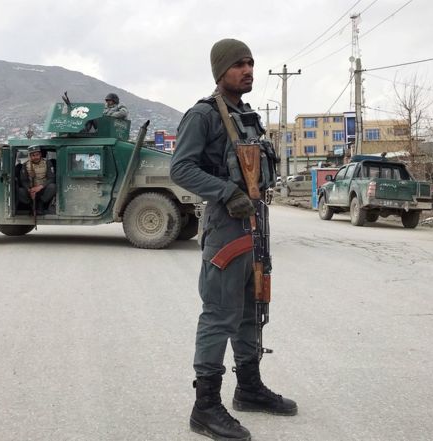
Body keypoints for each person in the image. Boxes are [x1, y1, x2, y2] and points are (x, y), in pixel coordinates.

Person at [170, 38, 297, 441]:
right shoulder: (203, 115)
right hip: (226, 227)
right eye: (239, 64)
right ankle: (205, 407)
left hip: (255, 225)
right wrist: (226, 193)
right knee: (219, 315)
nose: (248, 70)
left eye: (251, 63)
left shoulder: (248, 117)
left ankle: (249, 388)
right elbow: (181, 169)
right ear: (220, 71)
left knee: (251, 309)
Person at [19, 145, 56, 214]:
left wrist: (40, 187)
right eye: (33, 155)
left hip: (43, 189)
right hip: (31, 190)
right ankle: (31, 205)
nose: (35, 157)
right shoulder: (25, 165)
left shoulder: (47, 163)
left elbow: (51, 178)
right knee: (20, 191)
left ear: (40, 154)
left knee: (53, 187)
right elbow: (23, 180)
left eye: (37, 155)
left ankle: (40, 204)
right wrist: (29, 190)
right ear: (30, 156)